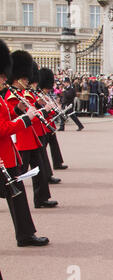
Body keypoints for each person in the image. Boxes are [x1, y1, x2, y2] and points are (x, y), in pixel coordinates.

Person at [0, 40, 50, 247]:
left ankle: (25, 235)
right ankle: (25, 235)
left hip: (8, 157)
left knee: (17, 196)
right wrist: (26, 118)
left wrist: (19, 111)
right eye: (2, 76)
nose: (4, 80)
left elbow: (6, 116)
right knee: (17, 196)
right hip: (4, 158)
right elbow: (2, 128)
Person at [4, 50, 58, 209]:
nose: (28, 81)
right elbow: (11, 118)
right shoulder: (11, 96)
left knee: (39, 170)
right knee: (15, 175)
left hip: (30, 137)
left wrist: (42, 111)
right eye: (25, 79)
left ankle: (41, 198)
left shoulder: (22, 94)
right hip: (21, 139)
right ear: (17, 78)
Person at [38, 68, 68, 170]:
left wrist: (56, 109)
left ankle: (57, 162)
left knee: (54, 144)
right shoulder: (38, 95)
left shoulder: (44, 95)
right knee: (41, 151)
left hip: (49, 124)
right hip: (43, 125)